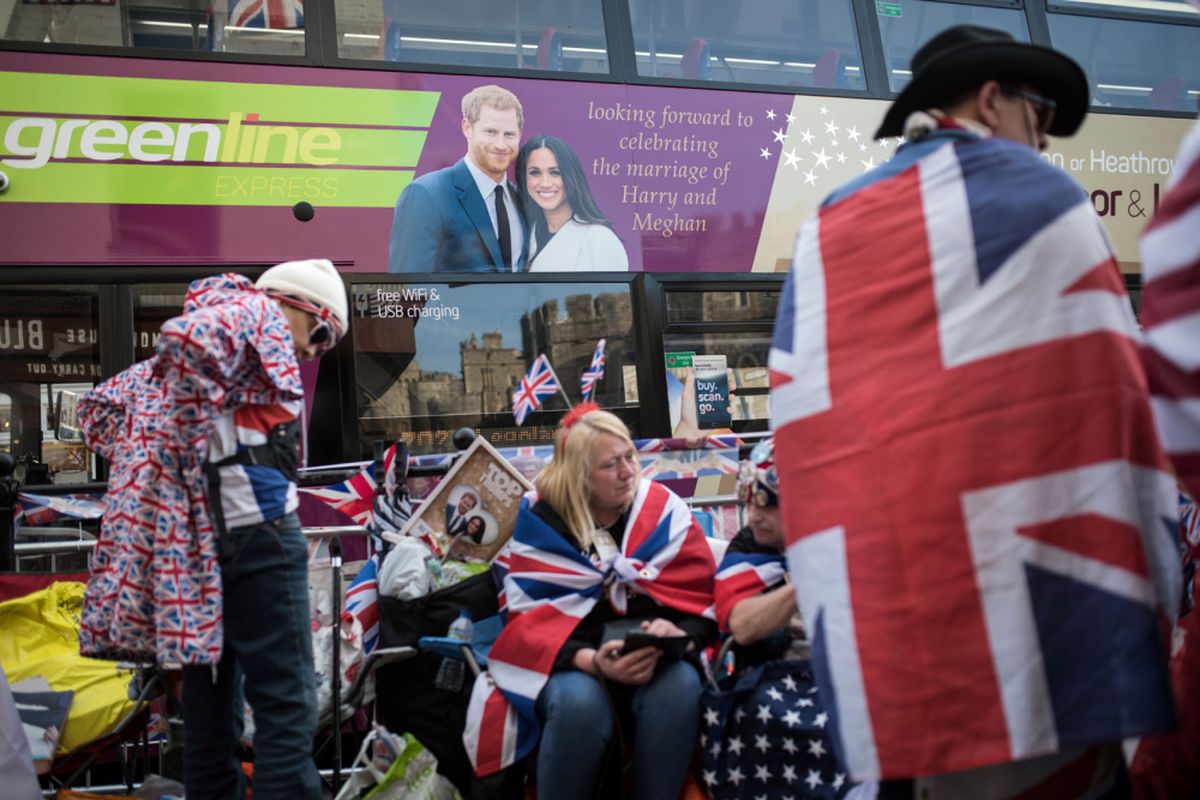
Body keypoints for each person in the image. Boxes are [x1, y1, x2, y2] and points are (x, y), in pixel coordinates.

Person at [768, 25, 1181, 798]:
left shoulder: (828, 226)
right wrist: (1155, 593)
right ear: (993, 103)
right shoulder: (1043, 201)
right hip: (1039, 622)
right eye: (1041, 117)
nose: (1046, 142)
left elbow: (812, 438)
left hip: (894, 626)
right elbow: (1118, 418)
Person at [77, 259, 348, 800]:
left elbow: (99, 408)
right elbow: (189, 340)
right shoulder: (258, 314)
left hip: (200, 548)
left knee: (209, 715)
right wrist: (182, 440)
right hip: (262, 539)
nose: (316, 351)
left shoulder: (225, 335)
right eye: (322, 333)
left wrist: (164, 461)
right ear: (295, 305)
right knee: (285, 709)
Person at [463, 404, 717, 799]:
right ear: (581, 475)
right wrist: (592, 661)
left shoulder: (664, 512)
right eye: (611, 464)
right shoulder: (544, 521)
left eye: (630, 456)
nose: (628, 471)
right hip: (573, 662)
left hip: (654, 658)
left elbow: (702, 604)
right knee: (580, 704)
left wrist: (680, 636)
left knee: (680, 685)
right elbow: (528, 627)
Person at [706, 438, 860, 800]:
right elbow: (741, 625)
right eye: (749, 501)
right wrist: (804, 577)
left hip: (848, 676)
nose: (753, 515)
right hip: (774, 682)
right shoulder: (750, 544)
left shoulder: (853, 539)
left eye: (766, 504)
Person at [388, 85, 527, 273]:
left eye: (509, 134)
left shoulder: (523, 200)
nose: (501, 144)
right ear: (467, 128)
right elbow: (408, 292)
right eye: (491, 132)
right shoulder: (426, 194)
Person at [516, 134, 628, 271]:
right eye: (535, 173)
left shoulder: (600, 239)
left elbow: (614, 292)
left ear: (571, 176)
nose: (545, 183)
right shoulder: (523, 235)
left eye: (555, 173)